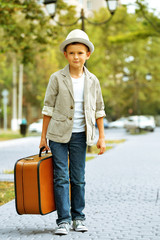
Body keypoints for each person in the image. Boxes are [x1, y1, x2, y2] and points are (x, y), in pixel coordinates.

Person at [39, 29, 106, 235]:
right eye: (72, 53)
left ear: (88, 55)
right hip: (58, 135)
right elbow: (48, 108)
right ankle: (63, 221)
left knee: (78, 178)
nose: (76, 57)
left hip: (80, 135)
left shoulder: (93, 80)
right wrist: (43, 138)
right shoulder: (57, 78)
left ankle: (79, 217)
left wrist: (101, 136)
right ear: (65, 55)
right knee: (60, 177)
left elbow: (99, 109)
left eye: (80, 53)